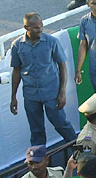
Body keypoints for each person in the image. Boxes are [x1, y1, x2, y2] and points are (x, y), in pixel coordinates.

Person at [9, 11, 75, 147]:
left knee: (61, 124)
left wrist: (62, 92)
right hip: (30, 95)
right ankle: (39, 160)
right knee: (36, 130)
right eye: (36, 27)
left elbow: (62, 66)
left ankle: (79, 150)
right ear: (26, 28)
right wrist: (13, 96)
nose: (40, 29)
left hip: (51, 93)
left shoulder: (52, 42)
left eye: (41, 26)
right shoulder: (17, 45)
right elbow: (16, 71)